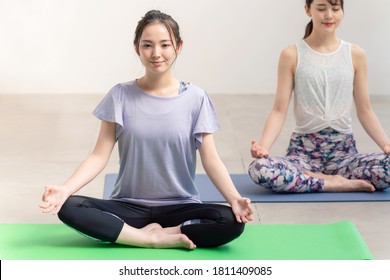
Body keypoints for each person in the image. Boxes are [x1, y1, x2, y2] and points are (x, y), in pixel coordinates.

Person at [39, 10, 253, 249]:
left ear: (178, 47)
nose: (156, 53)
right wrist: (64, 189)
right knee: (70, 207)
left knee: (230, 221)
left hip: (180, 206)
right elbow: (99, 156)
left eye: (165, 45)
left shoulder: (196, 98)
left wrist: (234, 199)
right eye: (148, 45)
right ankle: (148, 238)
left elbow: (211, 160)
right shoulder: (120, 95)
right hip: (128, 206)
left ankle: (154, 233)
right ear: (137, 48)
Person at [248, 0, 390, 193]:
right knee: (259, 169)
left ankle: (316, 181)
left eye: (335, 9)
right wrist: (263, 147)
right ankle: (330, 183)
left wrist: (386, 144)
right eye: (321, 8)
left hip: (345, 157)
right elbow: (279, 110)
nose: (329, 15)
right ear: (308, 10)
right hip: (302, 157)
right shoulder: (291, 54)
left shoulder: (355, 54)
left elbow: (365, 110)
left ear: (342, 11)